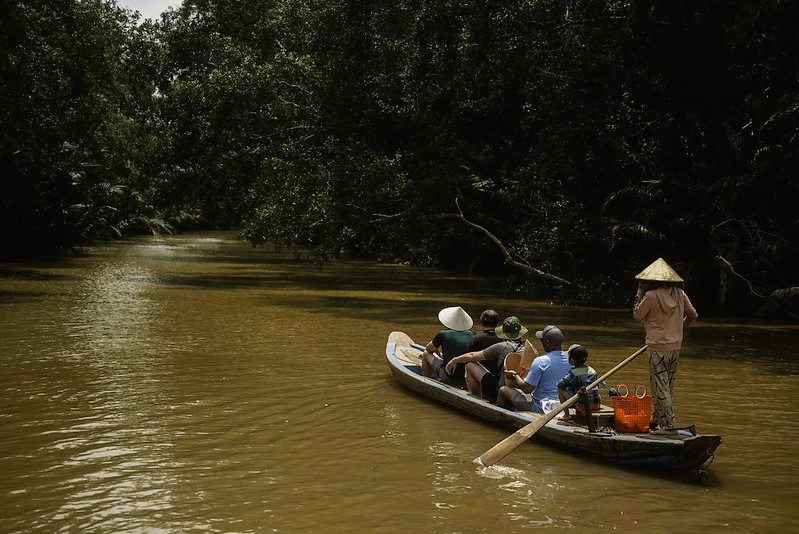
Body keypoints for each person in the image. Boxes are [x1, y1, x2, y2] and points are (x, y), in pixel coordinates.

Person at [633, 257, 698, 432]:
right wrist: (678, 328)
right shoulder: (679, 294)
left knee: (660, 387)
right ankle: (657, 418)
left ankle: (670, 426)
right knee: (667, 386)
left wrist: (638, 295)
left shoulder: (650, 296)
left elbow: (637, 315)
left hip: (657, 349)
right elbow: (693, 316)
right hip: (675, 347)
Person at [445, 316, 527, 402]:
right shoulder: (527, 348)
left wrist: (454, 360)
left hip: (499, 389)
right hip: (520, 390)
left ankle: (476, 399)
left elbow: (472, 356)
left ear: (504, 333)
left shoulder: (502, 346)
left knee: (470, 364)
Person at [497, 325, 572, 412]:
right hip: (565, 405)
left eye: (542, 340)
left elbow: (526, 389)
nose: (541, 343)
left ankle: (502, 419)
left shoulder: (540, 361)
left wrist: (514, 375)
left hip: (540, 406)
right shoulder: (571, 360)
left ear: (547, 342)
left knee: (503, 390)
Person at [421, 306, 475, 386]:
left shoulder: (443, 334)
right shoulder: (472, 334)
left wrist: (439, 356)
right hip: (467, 378)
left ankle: (425, 383)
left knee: (425, 354)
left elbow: (429, 349)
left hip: (449, 377)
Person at [556, 344, 601, 421]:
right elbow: (598, 386)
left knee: (560, 389)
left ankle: (567, 415)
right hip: (596, 405)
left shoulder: (573, 372)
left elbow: (560, 384)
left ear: (572, 361)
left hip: (582, 406)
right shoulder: (592, 370)